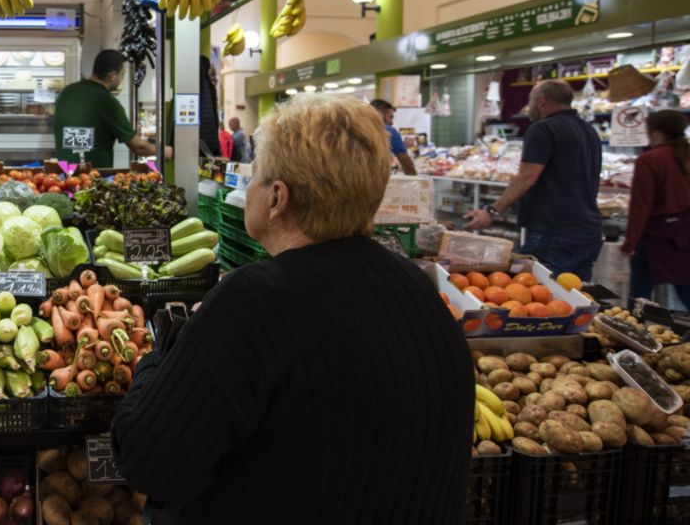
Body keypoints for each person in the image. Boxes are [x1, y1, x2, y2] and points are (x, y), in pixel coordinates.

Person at [112, 94, 472, 524]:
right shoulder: (417, 286)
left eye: (254, 178)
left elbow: (149, 462)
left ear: (277, 198)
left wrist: (157, 361)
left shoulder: (255, 301)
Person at [464, 80, 604, 281]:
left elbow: (527, 177)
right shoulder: (588, 131)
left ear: (541, 101)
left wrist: (492, 210)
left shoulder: (543, 128)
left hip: (554, 232)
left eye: (530, 101)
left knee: (530, 289)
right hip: (587, 231)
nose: (529, 107)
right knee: (576, 296)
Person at [622, 110, 690, 305]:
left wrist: (630, 242)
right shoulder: (685, 156)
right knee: (686, 289)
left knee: (639, 295)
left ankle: (633, 333)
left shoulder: (649, 160)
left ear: (657, 133)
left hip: (654, 235)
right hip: (685, 234)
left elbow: (640, 206)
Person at [53, 50, 164, 167]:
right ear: (112, 76)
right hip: (94, 180)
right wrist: (164, 151)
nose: (122, 79)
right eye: (122, 75)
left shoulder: (67, 92)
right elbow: (138, 147)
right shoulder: (107, 101)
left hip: (63, 178)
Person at [370, 98, 418, 175]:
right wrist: (415, 184)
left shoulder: (355, 129)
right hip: (374, 181)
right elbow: (407, 165)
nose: (392, 122)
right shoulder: (388, 131)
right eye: (390, 117)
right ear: (379, 113)